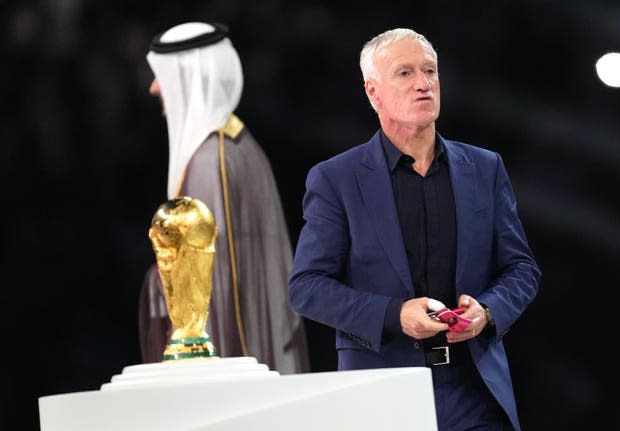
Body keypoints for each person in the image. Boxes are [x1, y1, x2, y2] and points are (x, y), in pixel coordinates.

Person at [288, 28, 540, 430]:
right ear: (373, 93)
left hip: (474, 393)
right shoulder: (337, 178)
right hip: (381, 393)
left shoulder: (485, 168)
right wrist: (394, 315)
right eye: (405, 73)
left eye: (430, 71)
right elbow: (307, 286)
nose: (423, 84)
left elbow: (522, 269)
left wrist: (487, 312)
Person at [141, 21, 309, 374]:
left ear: (189, 79)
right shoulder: (238, 144)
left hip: (232, 362)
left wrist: (159, 280)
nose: (155, 88)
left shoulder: (210, 161)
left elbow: (211, 286)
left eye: (163, 77)